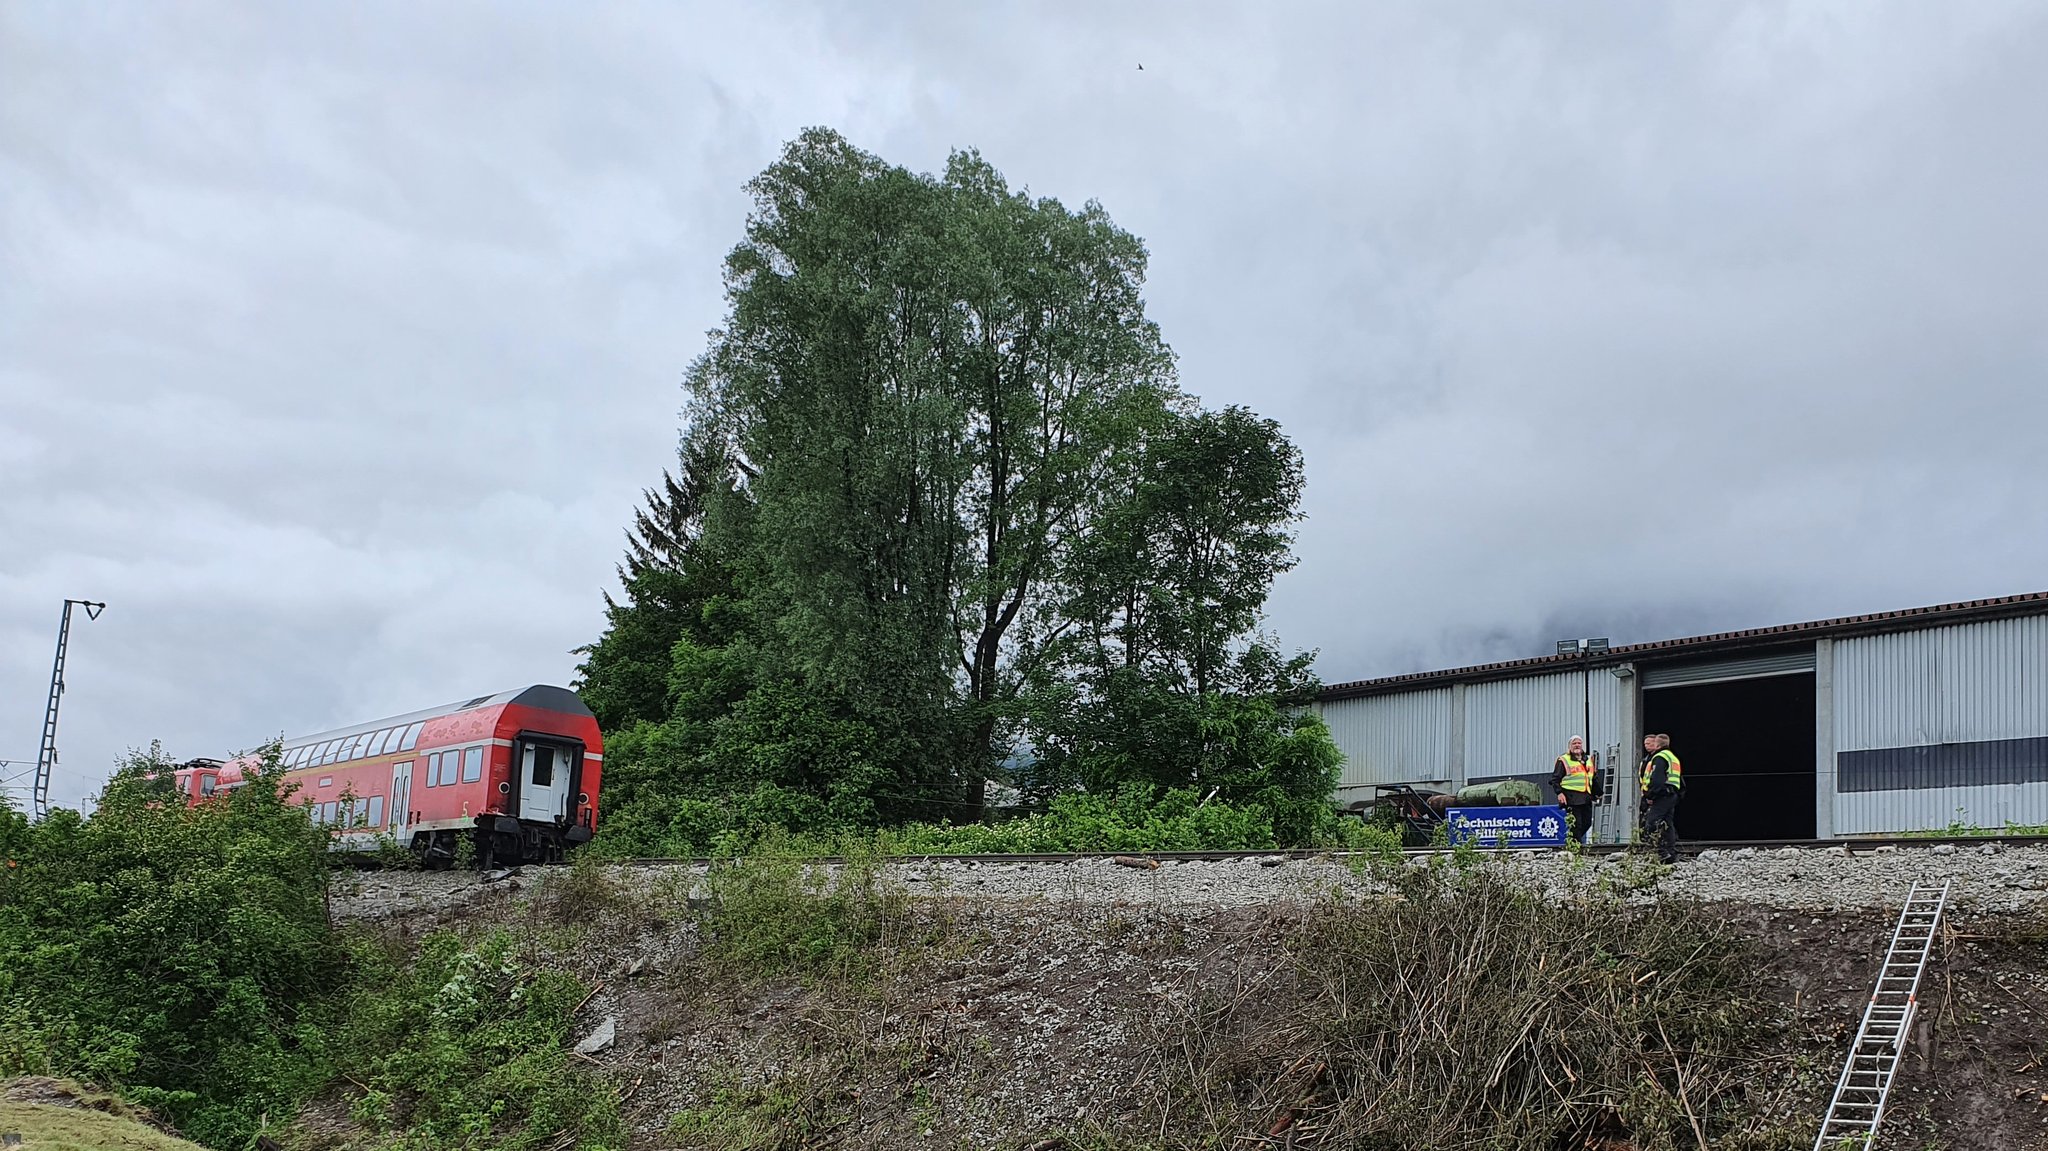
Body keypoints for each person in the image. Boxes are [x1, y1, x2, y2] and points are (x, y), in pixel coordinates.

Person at [1638, 732, 1682, 864]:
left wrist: (1650, 795)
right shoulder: (1672, 757)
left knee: (1652, 822)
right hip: (1671, 794)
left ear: (1657, 744)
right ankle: (1671, 853)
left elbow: (1657, 780)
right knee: (1667, 823)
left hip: (1662, 794)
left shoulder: (1659, 758)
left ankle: (1661, 852)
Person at [1549, 736, 1599, 846]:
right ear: (1570, 746)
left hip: (1585, 796)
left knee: (1587, 822)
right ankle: (1576, 846)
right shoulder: (1564, 760)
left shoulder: (1588, 760)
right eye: (1574, 743)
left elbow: (1592, 778)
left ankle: (1572, 841)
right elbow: (1555, 779)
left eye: (1579, 743)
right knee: (1576, 823)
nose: (1577, 745)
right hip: (1571, 796)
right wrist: (1559, 793)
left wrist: (1597, 793)